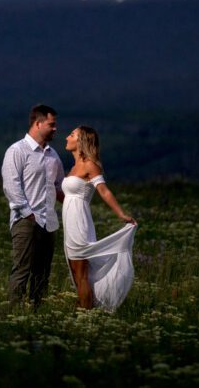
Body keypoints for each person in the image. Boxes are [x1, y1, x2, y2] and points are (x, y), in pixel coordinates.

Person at [62, 125, 137, 311]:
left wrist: (121, 214)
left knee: (81, 272)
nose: (66, 137)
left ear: (81, 141)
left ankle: (85, 313)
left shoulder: (90, 165)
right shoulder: (73, 167)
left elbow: (103, 191)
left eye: (71, 135)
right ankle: (83, 307)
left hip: (79, 220)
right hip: (69, 221)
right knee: (74, 270)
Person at [1, 103, 66, 308]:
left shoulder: (53, 156)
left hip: (49, 222)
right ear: (38, 123)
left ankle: (37, 314)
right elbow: (11, 186)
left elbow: (59, 187)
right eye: (51, 124)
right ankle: (13, 313)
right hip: (26, 220)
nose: (55, 129)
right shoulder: (17, 151)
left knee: (43, 272)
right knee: (22, 270)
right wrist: (28, 214)